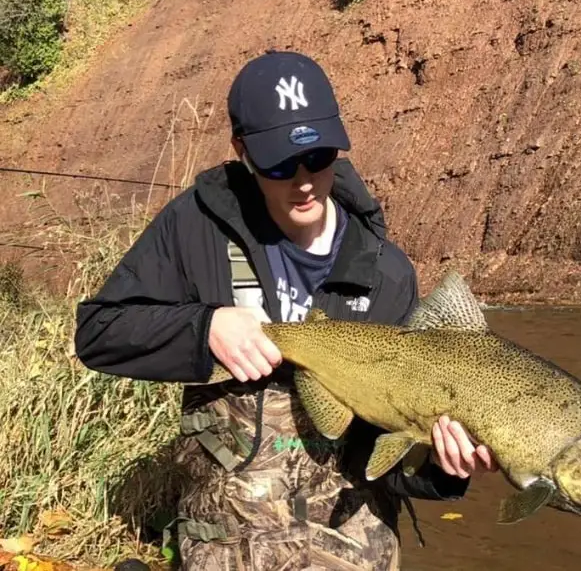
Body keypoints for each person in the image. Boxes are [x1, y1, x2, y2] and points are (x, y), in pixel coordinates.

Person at [74, 50, 496, 571]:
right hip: (226, 546)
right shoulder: (196, 227)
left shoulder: (387, 272)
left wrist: (442, 467)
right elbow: (99, 332)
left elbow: (384, 462)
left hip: (349, 546)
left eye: (317, 157)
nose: (302, 180)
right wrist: (204, 326)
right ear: (242, 152)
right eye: (278, 163)